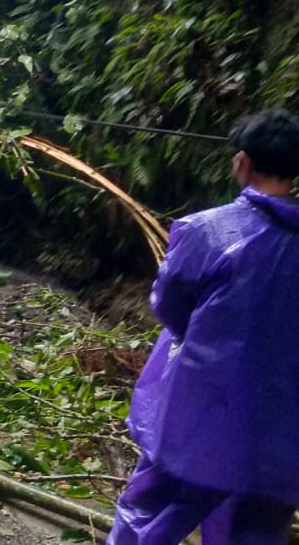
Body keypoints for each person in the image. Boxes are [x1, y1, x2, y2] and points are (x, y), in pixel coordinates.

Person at [106, 109, 299, 545]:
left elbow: (169, 306)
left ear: (242, 162)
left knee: (148, 515)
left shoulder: (207, 231)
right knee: (257, 530)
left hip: (197, 415)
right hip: (282, 433)